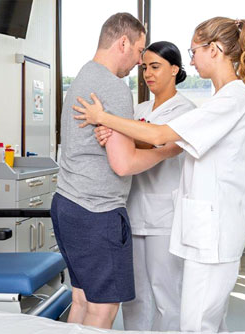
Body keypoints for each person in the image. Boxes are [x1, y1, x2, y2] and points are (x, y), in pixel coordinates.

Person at [73, 16, 245, 333]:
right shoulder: (223, 99)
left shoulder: (232, 99)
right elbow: (152, 137)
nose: (191, 60)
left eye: (194, 51)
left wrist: (103, 117)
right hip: (200, 228)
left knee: (193, 320)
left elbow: (162, 136)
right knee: (202, 319)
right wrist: (119, 134)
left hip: (213, 230)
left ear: (214, 50)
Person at [52, 13, 181, 329]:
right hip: (96, 211)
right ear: (123, 42)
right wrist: (166, 150)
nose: (140, 63)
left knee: (82, 300)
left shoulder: (84, 75)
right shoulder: (113, 87)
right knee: (104, 309)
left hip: (67, 204)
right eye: (139, 52)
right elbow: (123, 164)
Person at [101, 41, 195, 331]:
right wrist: (120, 131)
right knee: (135, 296)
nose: (148, 74)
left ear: (175, 69)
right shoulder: (138, 109)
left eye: (155, 66)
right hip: (132, 210)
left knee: (166, 292)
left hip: (164, 216)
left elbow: (157, 139)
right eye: (144, 68)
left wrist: (115, 129)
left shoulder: (186, 110)